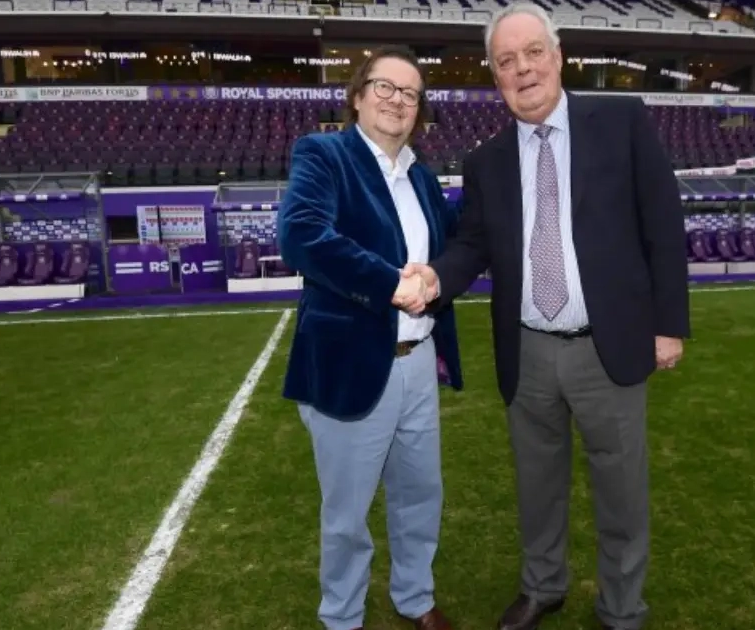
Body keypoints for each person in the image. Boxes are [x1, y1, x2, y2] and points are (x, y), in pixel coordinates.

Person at [402, 4, 691, 630]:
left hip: (609, 345)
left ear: (558, 57)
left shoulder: (621, 121)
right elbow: (472, 245)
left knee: (621, 489)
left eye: (533, 52)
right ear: (495, 76)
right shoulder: (486, 161)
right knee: (537, 485)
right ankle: (543, 586)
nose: (523, 69)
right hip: (528, 349)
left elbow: (664, 226)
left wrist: (668, 325)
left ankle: (621, 608)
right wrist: (435, 278)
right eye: (506, 61)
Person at [276, 45, 463, 630]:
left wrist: (436, 276)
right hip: (349, 363)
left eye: (410, 94)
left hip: (419, 362)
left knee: (420, 495)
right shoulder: (324, 154)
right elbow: (302, 235)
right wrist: (391, 284)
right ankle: (342, 617)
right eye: (385, 87)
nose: (397, 101)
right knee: (347, 514)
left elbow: (454, 247)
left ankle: (415, 596)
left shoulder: (423, 178)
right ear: (358, 96)